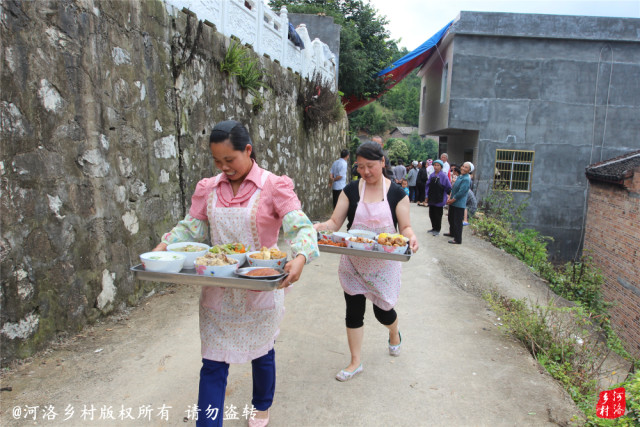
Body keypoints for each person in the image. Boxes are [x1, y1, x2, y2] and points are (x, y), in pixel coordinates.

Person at [153, 120, 319, 427]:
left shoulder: (273, 185)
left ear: (248, 150)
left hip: (260, 285)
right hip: (218, 286)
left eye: (230, 160)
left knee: (262, 352)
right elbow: (193, 226)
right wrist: (164, 245)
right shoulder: (209, 188)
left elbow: (301, 226)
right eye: (217, 161)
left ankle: (262, 405)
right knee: (213, 362)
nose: (223, 167)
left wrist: (301, 257)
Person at [312, 142, 419, 382]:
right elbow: (334, 223)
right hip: (354, 263)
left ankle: (394, 331)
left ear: (382, 162)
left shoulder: (397, 195)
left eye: (370, 166)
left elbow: (406, 227)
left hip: (384, 265)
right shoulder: (350, 190)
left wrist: (411, 238)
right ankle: (355, 361)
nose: (366, 172)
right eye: (360, 167)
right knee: (353, 311)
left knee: (383, 313)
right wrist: (320, 227)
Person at [445, 161, 473, 244]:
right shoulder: (461, 176)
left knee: (457, 221)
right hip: (453, 201)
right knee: (451, 218)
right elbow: (454, 188)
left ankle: (457, 239)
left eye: (466, 167)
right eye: (463, 166)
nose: (463, 168)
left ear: (469, 170)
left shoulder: (466, 179)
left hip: (459, 203)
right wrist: (450, 197)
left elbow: (462, 192)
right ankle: (452, 233)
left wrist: (452, 199)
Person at [424, 159, 451, 236]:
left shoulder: (443, 176)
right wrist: (427, 195)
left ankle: (437, 229)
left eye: (438, 165)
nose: (436, 167)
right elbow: (427, 186)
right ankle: (433, 228)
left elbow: (448, 187)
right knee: (431, 214)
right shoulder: (432, 175)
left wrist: (445, 194)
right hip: (432, 197)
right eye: (435, 165)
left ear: (441, 167)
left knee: (438, 215)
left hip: (439, 197)